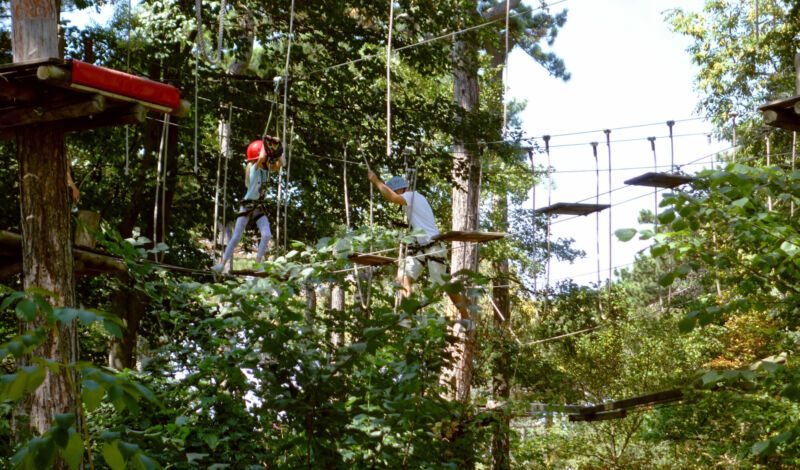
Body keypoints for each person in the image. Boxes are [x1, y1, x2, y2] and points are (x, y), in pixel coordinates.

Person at [367, 169, 469, 319]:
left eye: (397, 192)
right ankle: (407, 316)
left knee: (445, 285)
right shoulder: (411, 200)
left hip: (433, 246)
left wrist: (376, 181)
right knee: (403, 277)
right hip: (420, 248)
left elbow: (393, 198)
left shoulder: (412, 196)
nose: (398, 195)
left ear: (401, 189)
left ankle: (465, 315)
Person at [212, 136, 283, 273]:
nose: (269, 158)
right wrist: (265, 141)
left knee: (267, 235)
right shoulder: (255, 168)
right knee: (236, 237)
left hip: (258, 207)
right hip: (247, 205)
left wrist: (277, 145)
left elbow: (280, 163)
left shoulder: (266, 169)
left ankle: (257, 265)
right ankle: (222, 264)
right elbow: (262, 156)